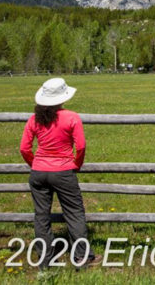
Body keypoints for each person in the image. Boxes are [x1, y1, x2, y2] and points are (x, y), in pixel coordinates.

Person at [19, 77, 100, 268]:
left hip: (38, 171)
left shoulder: (34, 119)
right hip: (63, 170)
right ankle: (81, 257)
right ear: (63, 97)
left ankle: (45, 259)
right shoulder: (71, 117)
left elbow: (24, 148)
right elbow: (80, 146)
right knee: (74, 213)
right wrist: (76, 164)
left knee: (41, 216)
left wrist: (36, 164)